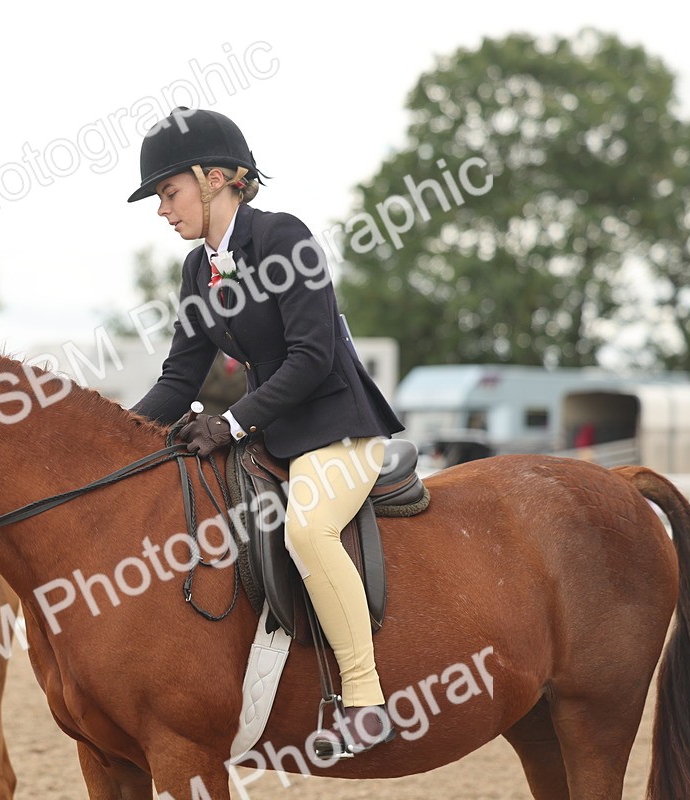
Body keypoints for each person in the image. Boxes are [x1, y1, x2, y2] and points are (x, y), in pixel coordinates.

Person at [127, 108, 405, 757]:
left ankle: (365, 699)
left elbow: (311, 358)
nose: (163, 210)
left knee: (307, 528)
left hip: (337, 428)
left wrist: (228, 422)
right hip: (271, 432)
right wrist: (118, 437)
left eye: (169, 192)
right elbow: (179, 377)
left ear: (217, 177)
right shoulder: (200, 271)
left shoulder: (284, 238)